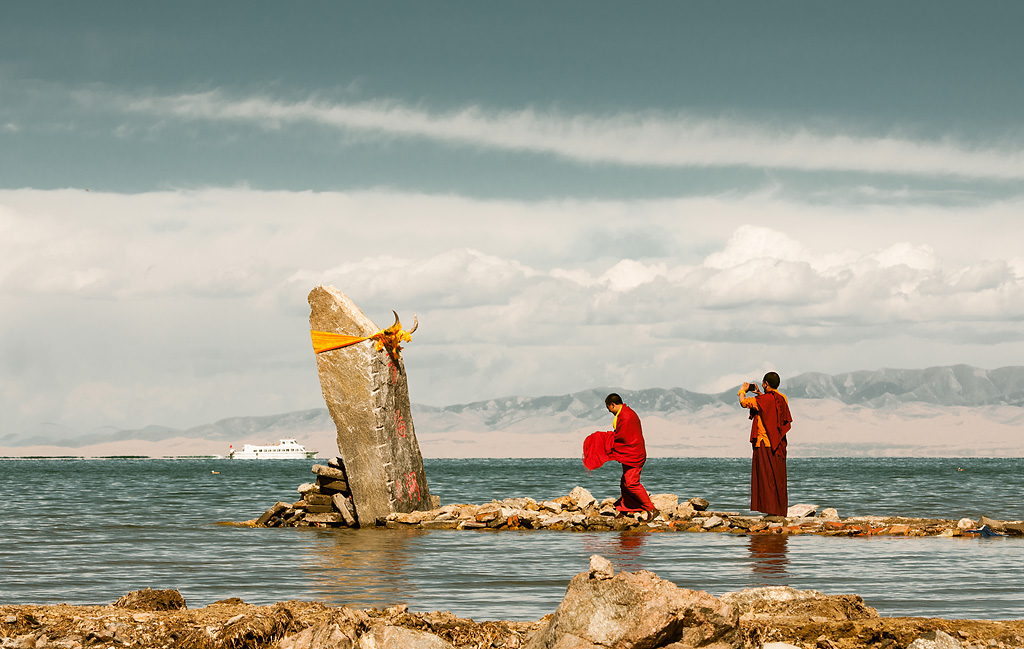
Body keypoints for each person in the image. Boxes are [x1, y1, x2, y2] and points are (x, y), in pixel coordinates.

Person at [583, 393, 657, 522]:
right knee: (624, 483)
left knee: (632, 483)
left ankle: (651, 509)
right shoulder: (623, 413)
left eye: (609, 409)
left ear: (612, 405)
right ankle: (625, 509)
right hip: (629, 452)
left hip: (634, 453)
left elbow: (623, 437)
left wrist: (604, 440)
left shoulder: (626, 416)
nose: (609, 412)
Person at [738, 372, 793, 517]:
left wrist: (742, 390)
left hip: (764, 442)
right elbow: (770, 404)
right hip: (779, 443)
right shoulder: (783, 398)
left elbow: (744, 403)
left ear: (765, 384)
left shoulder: (762, 400)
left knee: (766, 478)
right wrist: (759, 393)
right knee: (778, 478)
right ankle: (780, 511)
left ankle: (771, 511)